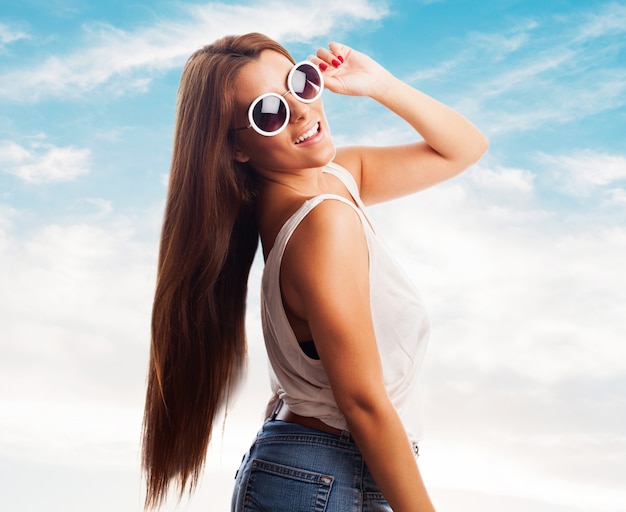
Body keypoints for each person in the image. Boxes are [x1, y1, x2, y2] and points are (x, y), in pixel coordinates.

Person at [141, 32, 488, 512]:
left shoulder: (337, 178)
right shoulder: (320, 223)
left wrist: (380, 84)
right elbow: (363, 404)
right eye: (269, 112)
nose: (302, 111)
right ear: (236, 149)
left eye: (300, 83)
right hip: (325, 479)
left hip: (324, 473)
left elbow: (464, 148)